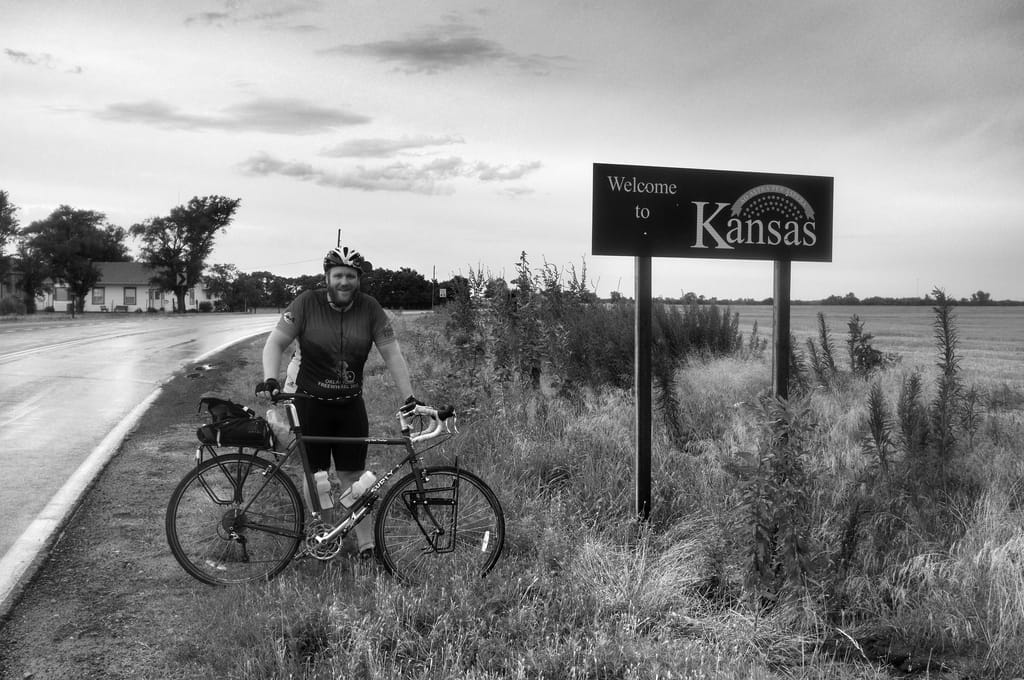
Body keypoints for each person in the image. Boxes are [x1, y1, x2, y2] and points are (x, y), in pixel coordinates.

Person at [256, 245, 419, 559]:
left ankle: (367, 546)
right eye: (338, 275)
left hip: (349, 405)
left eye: (351, 276)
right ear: (327, 277)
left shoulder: (370, 308)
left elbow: (392, 354)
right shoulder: (306, 303)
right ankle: (322, 532)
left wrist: (408, 396)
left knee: (353, 477)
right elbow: (275, 342)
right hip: (309, 403)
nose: (344, 282)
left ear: (358, 279)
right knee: (315, 476)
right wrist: (270, 378)